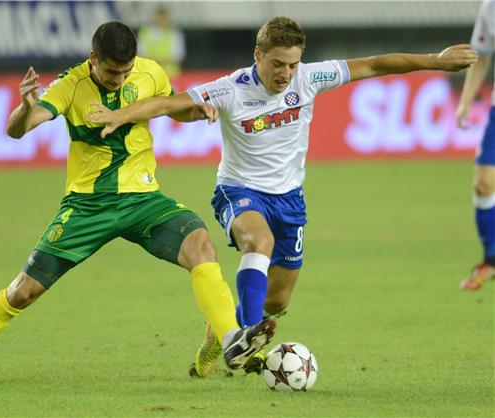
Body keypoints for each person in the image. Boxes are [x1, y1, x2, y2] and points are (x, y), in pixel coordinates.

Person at [86, 16, 477, 377]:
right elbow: (172, 102)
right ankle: (249, 346)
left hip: (290, 199)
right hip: (237, 190)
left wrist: (435, 60)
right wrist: (122, 115)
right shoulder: (231, 88)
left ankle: (221, 331)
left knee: (277, 301)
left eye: (292, 65)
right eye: (277, 64)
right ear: (258, 55)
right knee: (259, 241)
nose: (285, 74)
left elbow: (375, 64)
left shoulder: (310, 77)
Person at [0, 21, 276, 391]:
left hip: (144, 199)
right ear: (93, 59)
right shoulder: (70, 85)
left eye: (125, 71)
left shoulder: (149, 71)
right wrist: (25, 109)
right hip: (88, 207)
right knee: (22, 292)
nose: (119, 79)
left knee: (201, 246)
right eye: (111, 72)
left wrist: (196, 111)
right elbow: (17, 129)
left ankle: (232, 339)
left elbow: (171, 106)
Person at [456, 0, 495, 291]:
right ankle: (491, 261)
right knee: (483, 183)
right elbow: (481, 55)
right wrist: (466, 101)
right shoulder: (489, 7)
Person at [137, 5, 185, 78]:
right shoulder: (145, 32)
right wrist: (160, 60)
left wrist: (156, 60)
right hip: (148, 75)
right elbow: (140, 54)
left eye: (164, 17)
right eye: (159, 16)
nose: (161, 19)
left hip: (170, 76)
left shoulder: (174, 33)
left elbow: (178, 56)